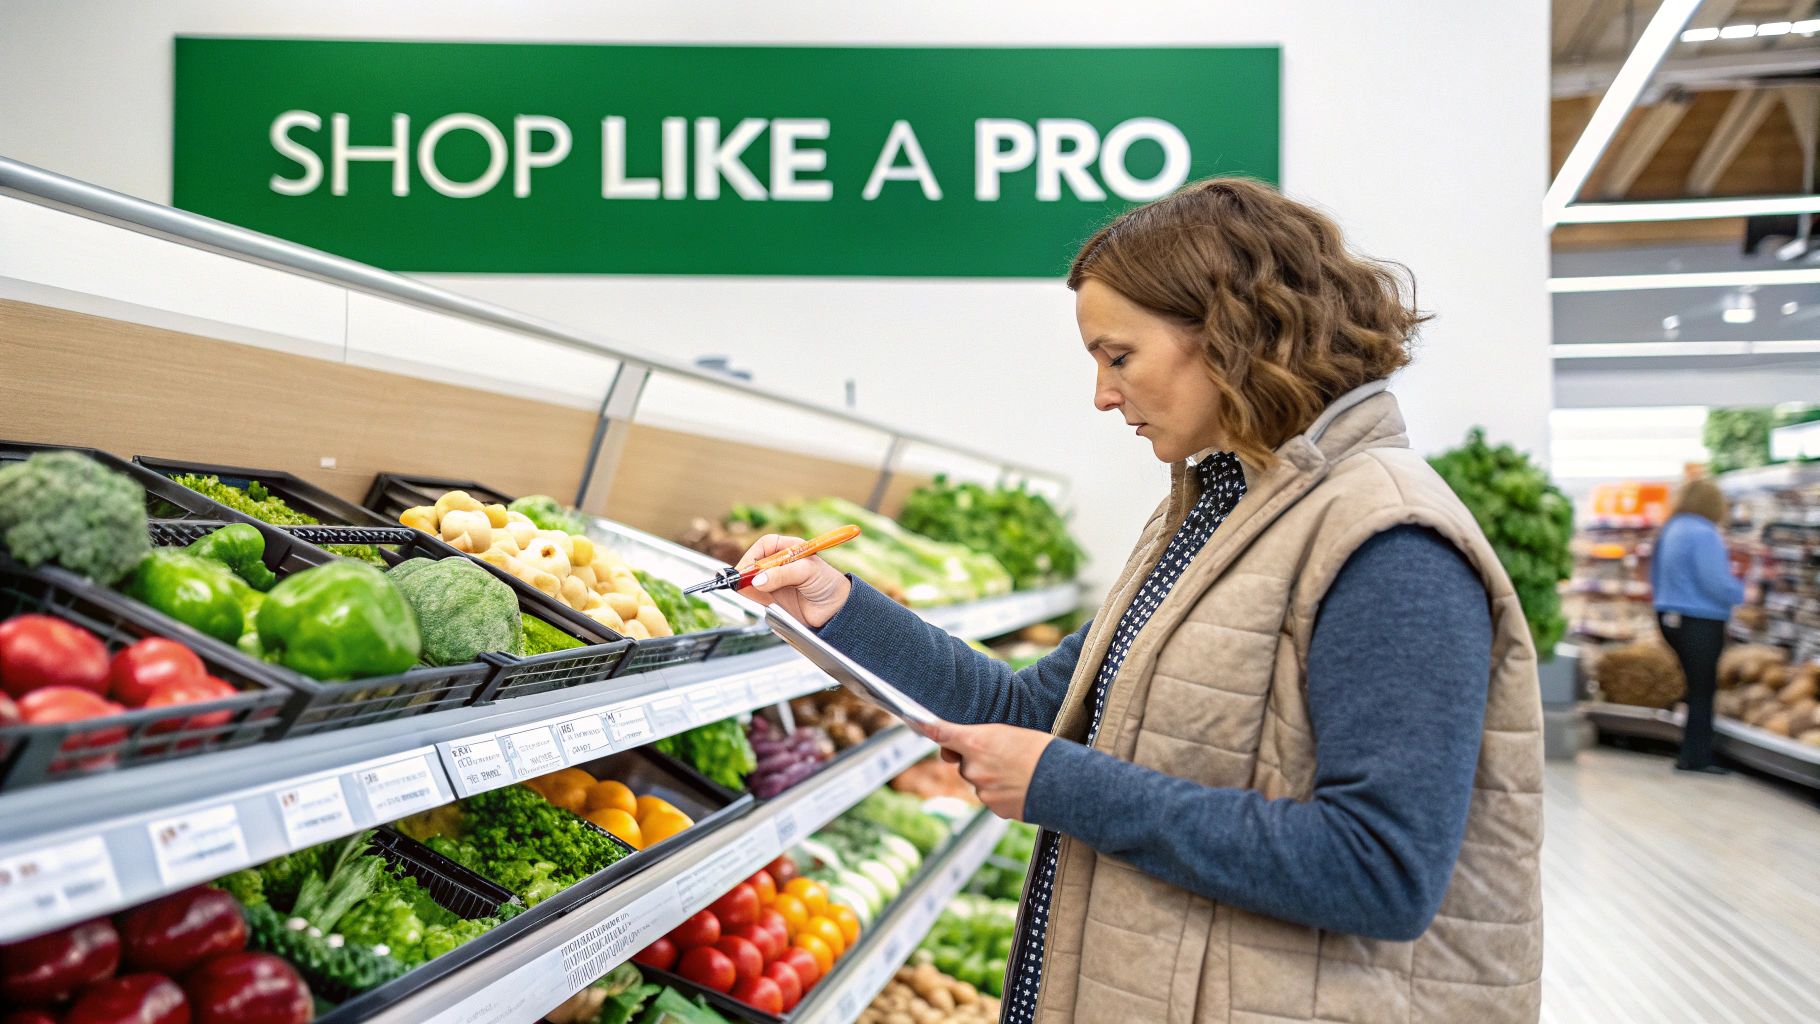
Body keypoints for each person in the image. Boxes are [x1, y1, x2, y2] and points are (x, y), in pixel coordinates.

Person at [739, 178, 1543, 1024]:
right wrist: (837, 610)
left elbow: (1380, 870)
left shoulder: (1388, 541)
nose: (1102, 394)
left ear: (1233, 333)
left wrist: (1064, 787)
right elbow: (1028, 707)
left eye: (1118, 356)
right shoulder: (1217, 514)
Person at [1651, 477, 1745, 774]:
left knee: (1693, 687)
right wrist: (1739, 593)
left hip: (1669, 614)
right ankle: (1697, 757)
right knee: (1704, 689)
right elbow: (1714, 581)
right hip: (1701, 618)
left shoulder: (1671, 529)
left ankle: (1690, 752)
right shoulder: (1705, 533)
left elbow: (1654, 575)